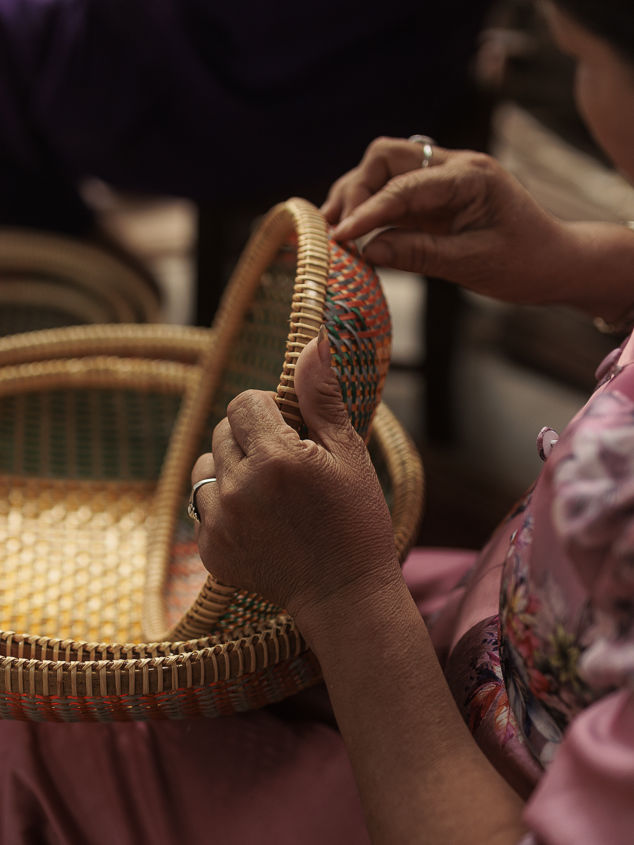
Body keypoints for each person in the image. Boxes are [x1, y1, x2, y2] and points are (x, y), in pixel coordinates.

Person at [189, 0, 634, 842]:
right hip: (494, 627)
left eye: (584, 57)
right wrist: (580, 261)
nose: (582, 93)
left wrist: (346, 594)